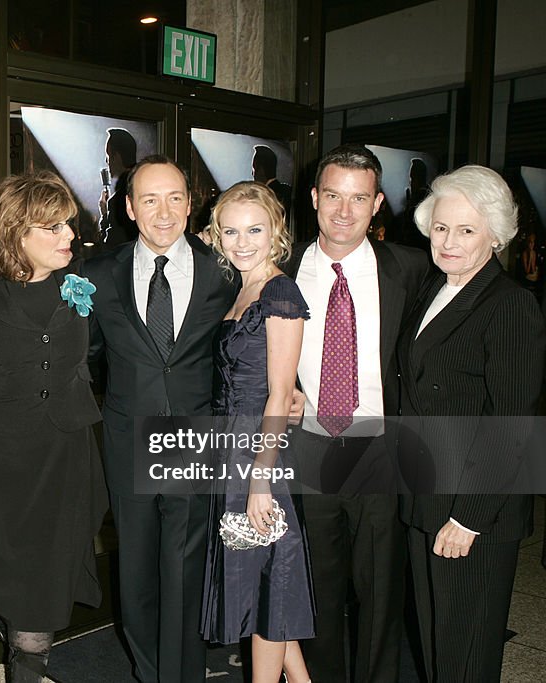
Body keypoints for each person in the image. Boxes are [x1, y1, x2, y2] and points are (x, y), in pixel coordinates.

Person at [82, 154, 237, 682]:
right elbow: (85, 356)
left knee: (186, 570)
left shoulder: (225, 269)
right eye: (149, 199)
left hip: (196, 442)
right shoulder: (99, 272)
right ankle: (151, 673)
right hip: (129, 443)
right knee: (137, 575)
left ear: (191, 204)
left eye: (175, 197)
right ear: (129, 207)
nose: (164, 211)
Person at [283, 143, 428, 683]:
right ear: (315, 197)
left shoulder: (411, 271)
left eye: (359, 198)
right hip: (309, 448)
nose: (345, 211)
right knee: (317, 592)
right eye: (334, 196)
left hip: (381, 452)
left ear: (378, 204)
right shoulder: (283, 269)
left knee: (381, 595)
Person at [398, 165, 545, 682]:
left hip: (474, 511)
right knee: (437, 644)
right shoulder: (434, 290)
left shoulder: (510, 305)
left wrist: (470, 518)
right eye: (441, 227)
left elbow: (512, 422)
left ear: (496, 235)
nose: (449, 241)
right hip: (427, 497)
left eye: (466, 230)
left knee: (466, 655)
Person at [0, 171, 109, 682]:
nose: (70, 236)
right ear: (15, 233)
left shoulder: (79, 286)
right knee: (7, 571)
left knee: (44, 579)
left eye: (68, 224)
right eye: (54, 227)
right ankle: (15, 645)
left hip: (63, 451)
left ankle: (27, 663)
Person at [200, 181, 313, 682]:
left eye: (255, 229)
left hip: (259, 455)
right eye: (230, 230)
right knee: (262, 579)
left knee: (269, 582)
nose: (242, 241)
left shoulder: (280, 291)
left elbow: (278, 393)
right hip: (232, 450)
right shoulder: (241, 286)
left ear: (276, 231)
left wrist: (260, 482)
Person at [98, 127, 139, 248]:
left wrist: (105, 216)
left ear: (117, 157)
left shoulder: (118, 201)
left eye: (108, 156)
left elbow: (110, 249)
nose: (107, 161)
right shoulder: (145, 185)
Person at [251, 145, 292, 214]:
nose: (252, 173)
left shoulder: (263, 197)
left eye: (254, 169)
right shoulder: (288, 190)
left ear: (261, 170)